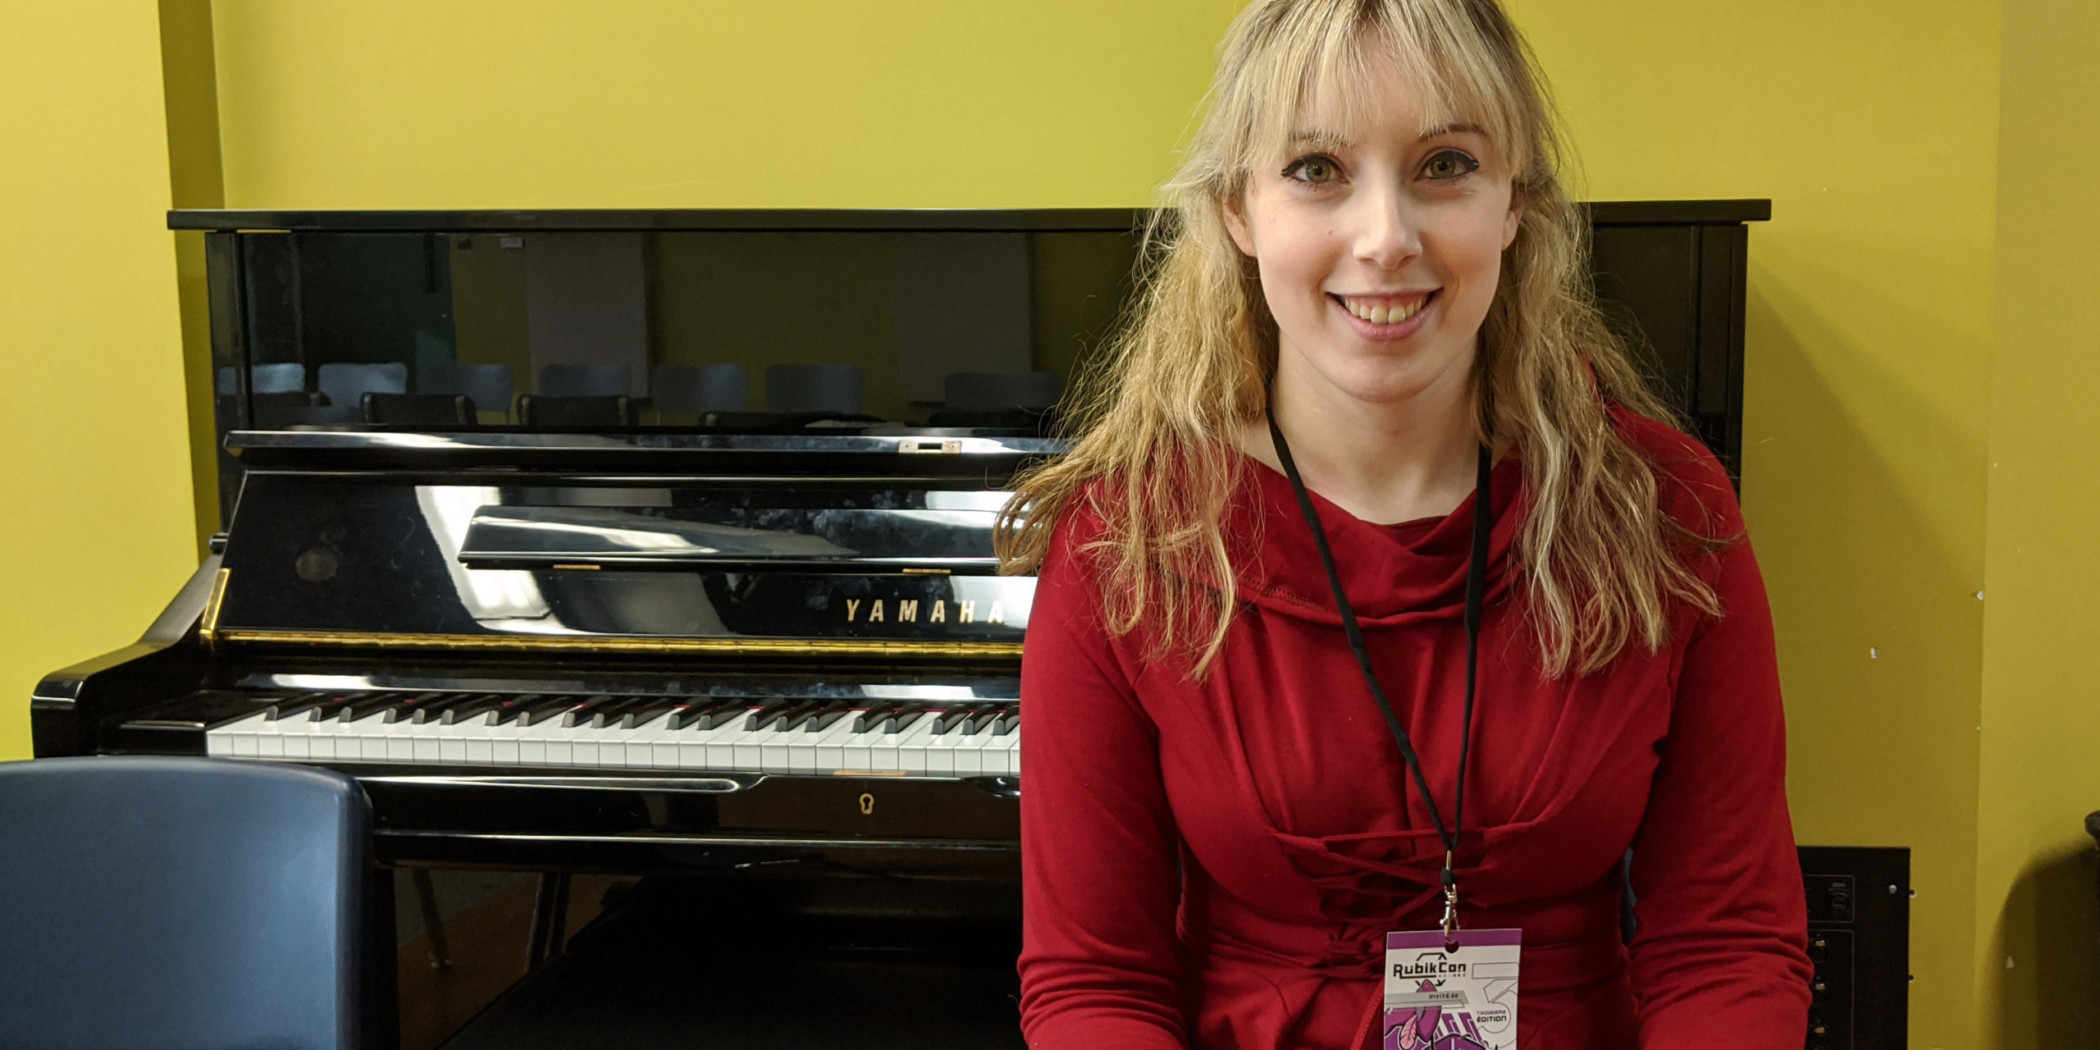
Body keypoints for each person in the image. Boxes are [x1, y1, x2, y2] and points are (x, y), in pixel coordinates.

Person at [994, 1, 1812, 1047]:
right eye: (1317, 170)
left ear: (1514, 202)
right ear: (1239, 209)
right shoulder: (1124, 538)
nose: (1386, 239)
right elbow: (1095, 983)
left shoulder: (1669, 510)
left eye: (1445, 165)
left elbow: (1727, 949)